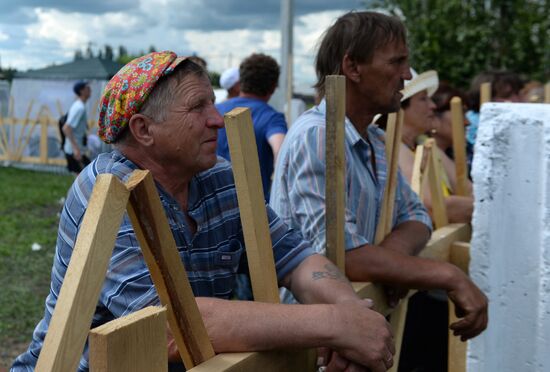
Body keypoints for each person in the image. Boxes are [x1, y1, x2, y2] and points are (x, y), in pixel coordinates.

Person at [12, 51, 395, 372]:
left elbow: (294, 257)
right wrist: (333, 325)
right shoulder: (107, 191)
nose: (216, 119)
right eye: (198, 107)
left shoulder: (219, 179)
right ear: (144, 130)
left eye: (212, 102)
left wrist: (350, 312)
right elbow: (171, 326)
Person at [270, 10, 487, 346]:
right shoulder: (317, 136)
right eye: (396, 62)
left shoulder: (371, 139)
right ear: (352, 67)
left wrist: (390, 262)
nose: (407, 75)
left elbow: (417, 216)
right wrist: (447, 274)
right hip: (314, 347)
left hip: (353, 336)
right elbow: (340, 256)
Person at [398, 69, 474, 223]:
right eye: (423, 99)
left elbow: (470, 191)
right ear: (400, 107)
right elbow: (432, 206)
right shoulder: (393, 147)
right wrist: (491, 208)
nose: (432, 106)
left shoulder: (424, 143)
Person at [216, 53, 286, 201]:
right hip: (255, 210)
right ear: (273, 87)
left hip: (212, 207)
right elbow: (281, 152)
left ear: (241, 82)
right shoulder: (272, 118)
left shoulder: (213, 111)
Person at [63, 80, 91, 173]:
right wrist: (76, 149)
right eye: (87, 88)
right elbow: (66, 128)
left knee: (84, 180)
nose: (90, 89)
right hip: (74, 151)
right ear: (81, 91)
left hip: (76, 150)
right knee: (84, 181)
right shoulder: (79, 107)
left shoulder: (79, 105)